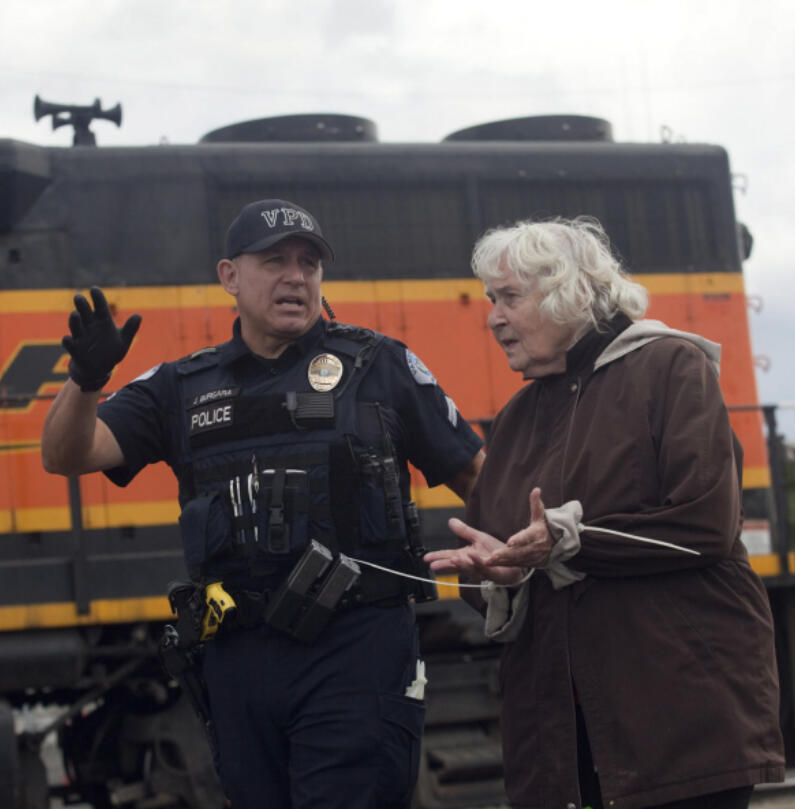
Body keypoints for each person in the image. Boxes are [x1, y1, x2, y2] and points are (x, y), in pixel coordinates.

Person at [41, 198, 485, 808]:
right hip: (238, 660)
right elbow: (66, 454)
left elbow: (481, 479)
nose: (296, 276)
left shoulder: (381, 367)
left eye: (309, 263)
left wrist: (524, 550)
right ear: (230, 277)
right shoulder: (182, 386)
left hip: (356, 653)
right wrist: (85, 381)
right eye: (275, 260)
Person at [424, 217, 785, 809]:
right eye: (492, 300)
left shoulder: (671, 367)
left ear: (568, 294)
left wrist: (569, 539)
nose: (492, 318)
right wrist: (499, 576)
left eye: (510, 298)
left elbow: (706, 524)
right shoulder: (514, 420)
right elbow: (503, 555)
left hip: (678, 729)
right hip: (559, 747)